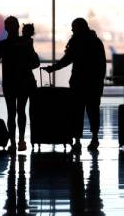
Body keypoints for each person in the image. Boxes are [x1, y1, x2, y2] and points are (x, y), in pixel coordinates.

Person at [44, 17, 106, 152]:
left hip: (78, 82)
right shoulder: (96, 42)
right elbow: (101, 65)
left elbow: (67, 60)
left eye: (74, 27)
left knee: (77, 112)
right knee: (93, 111)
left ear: (78, 28)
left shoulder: (76, 42)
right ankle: (95, 138)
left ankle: (77, 141)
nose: (72, 30)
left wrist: (53, 68)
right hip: (94, 84)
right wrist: (100, 81)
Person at [0, 16, 40, 153]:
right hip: (23, 81)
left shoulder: (2, 45)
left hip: (10, 82)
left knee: (11, 113)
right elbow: (36, 62)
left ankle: (13, 142)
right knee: (21, 111)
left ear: (6, 28)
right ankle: (21, 140)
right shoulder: (26, 43)